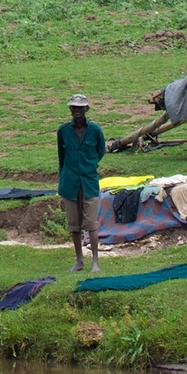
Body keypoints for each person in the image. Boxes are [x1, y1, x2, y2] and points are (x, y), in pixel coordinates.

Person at [57, 93, 105, 272]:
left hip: (89, 181)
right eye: (74, 107)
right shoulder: (63, 131)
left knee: (92, 224)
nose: (77, 111)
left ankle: (95, 261)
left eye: (80, 108)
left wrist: (89, 165)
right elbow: (61, 156)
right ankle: (79, 261)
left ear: (86, 109)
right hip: (70, 183)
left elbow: (100, 151)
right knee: (74, 225)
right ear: (70, 109)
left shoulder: (95, 130)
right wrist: (64, 177)